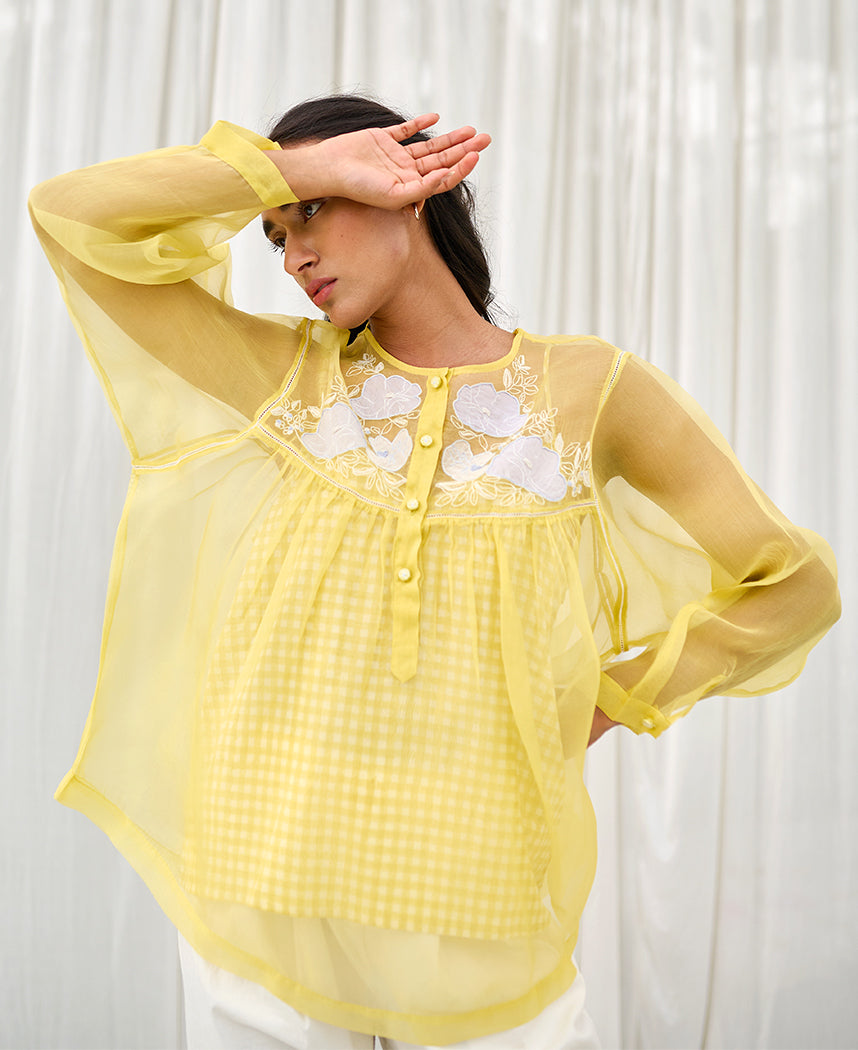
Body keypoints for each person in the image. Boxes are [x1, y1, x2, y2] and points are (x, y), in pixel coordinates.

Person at [29, 94, 840, 1050]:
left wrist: (603, 700)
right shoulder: (283, 379)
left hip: (472, 870)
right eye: (275, 234)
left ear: (410, 190)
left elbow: (793, 585)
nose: (292, 257)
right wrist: (306, 172)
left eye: (314, 216)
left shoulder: (590, 392)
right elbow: (71, 217)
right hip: (264, 863)